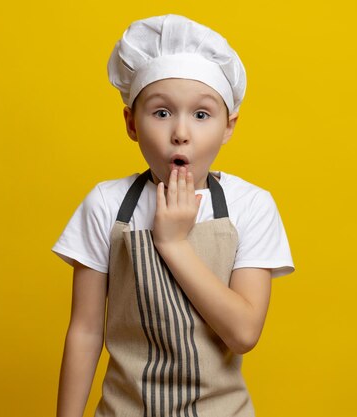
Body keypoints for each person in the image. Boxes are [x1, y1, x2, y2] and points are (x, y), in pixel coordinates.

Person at [52, 14, 295, 417]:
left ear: (228, 126)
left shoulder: (251, 205)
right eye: (161, 113)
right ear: (131, 123)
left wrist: (172, 242)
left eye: (201, 115)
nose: (180, 132)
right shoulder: (106, 204)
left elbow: (243, 332)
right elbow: (85, 331)